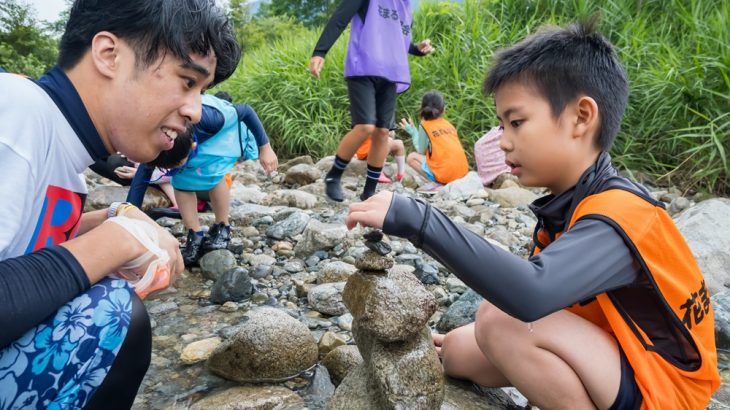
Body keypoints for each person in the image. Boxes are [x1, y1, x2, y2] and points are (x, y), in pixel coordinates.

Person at [346, 20, 720, 409]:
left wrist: (419, 220)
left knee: (498, 322)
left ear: (581, 117)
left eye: (517, 122)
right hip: (620, 357)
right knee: (457, 351)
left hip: (666, 390)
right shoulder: (571, 205)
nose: (503, 140)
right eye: (502, 123)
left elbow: (530, 293)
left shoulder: (621, 214)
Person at [0, 1, 240, 408]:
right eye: (186, 81)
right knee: (115, 312)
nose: (196, 112)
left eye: (202, 91)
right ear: (109, 54)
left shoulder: (67, 158)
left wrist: (112, 218)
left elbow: (21, 240)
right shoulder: (15, 111)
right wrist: (114, 242)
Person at [127, 93, 278, 266]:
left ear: (192, 147)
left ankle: (222, 226)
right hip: (182, 136)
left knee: (214, 173)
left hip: (215, 135)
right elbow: (140, 182)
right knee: (181, 182)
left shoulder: (213, 118)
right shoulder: (154, 143)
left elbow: (245, 110)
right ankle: (194, 234)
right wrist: (129, 216)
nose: (175, 168)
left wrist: (265, 147)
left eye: (178, 164)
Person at [309, 0, 434, 202]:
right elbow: (340, 18)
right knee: (365, 126)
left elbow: (397, 38)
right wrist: (320, 52)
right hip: (363, 69)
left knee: (383, 132)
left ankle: (369, 191)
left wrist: (417, 49)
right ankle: (333, 176)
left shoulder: (404, 5)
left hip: (390, 73)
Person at [399, 90, 469, 188]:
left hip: (446, 175)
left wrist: (414, 133)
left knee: (411, 157)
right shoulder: (448, 124)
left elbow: (420, 150)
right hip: (463, 174)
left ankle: (438, 184)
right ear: (443, 109)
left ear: (422, 108)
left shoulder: (424, 125)